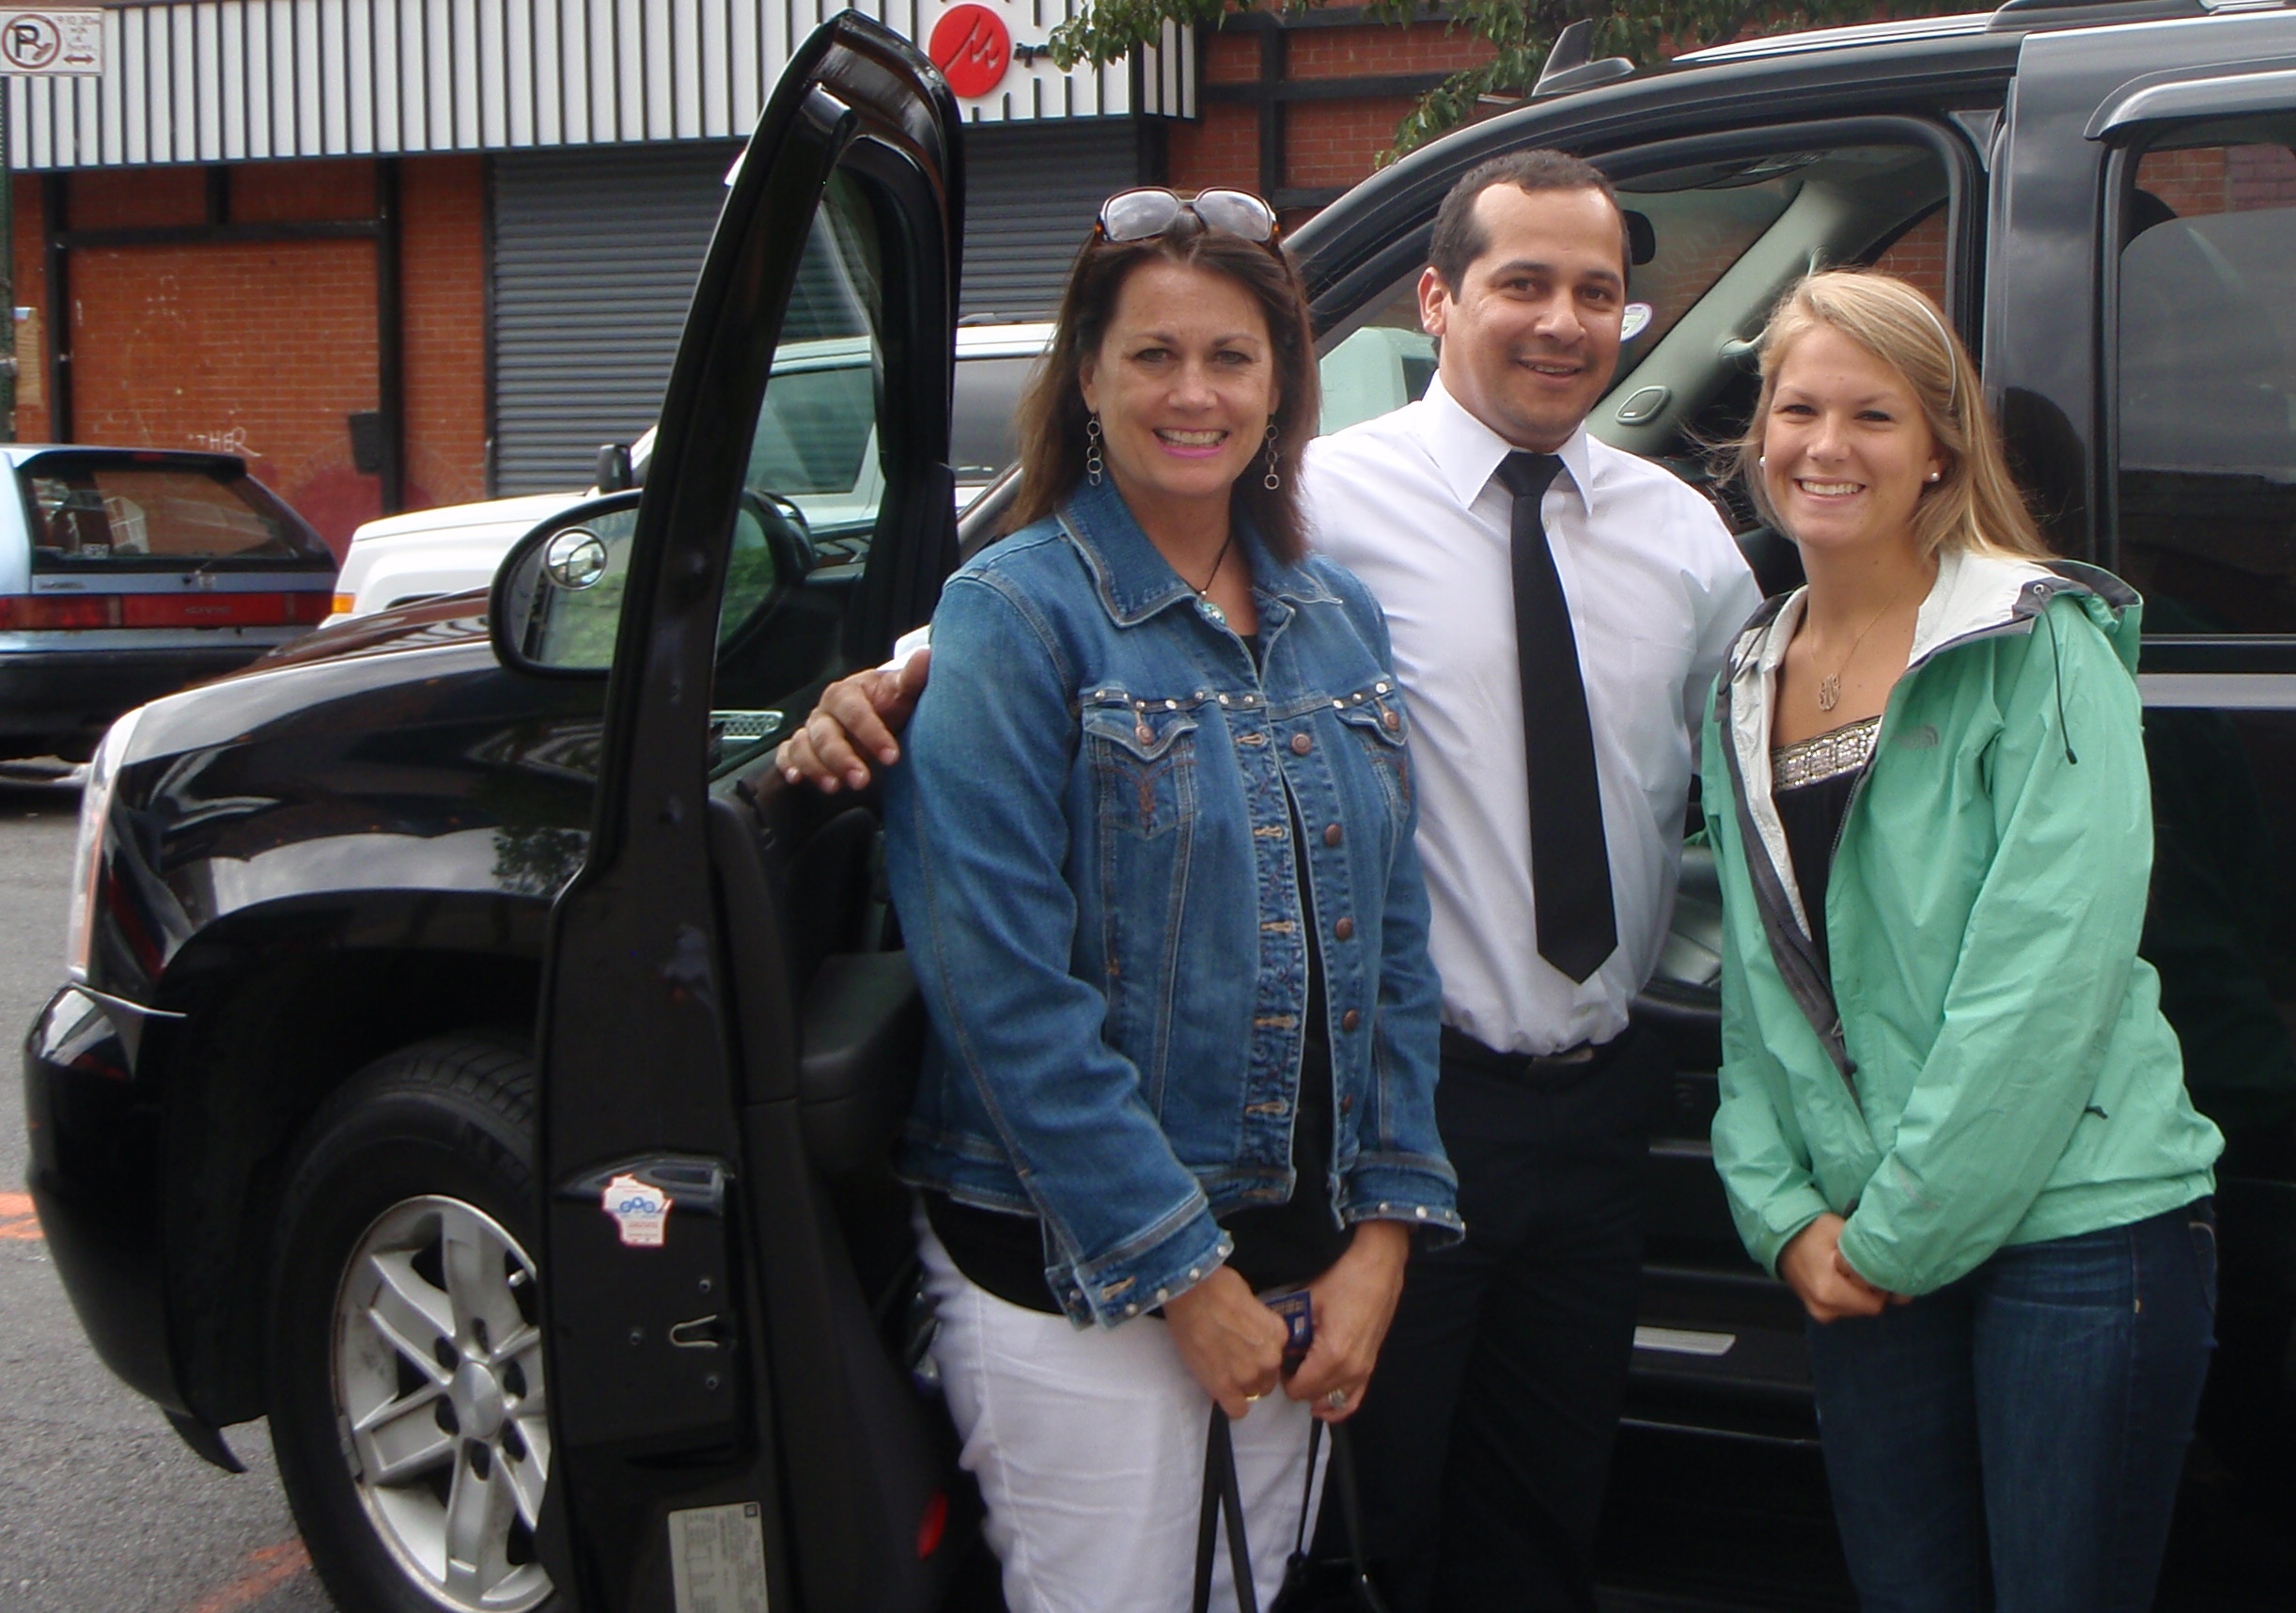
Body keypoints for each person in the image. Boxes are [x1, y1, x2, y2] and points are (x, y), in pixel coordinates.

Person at [784, 149, 1759, 1613]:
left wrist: (1377, 1238)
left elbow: (1403, 923)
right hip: (1240, 1180)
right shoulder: (1320, 507)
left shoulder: (1369, 591)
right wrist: (877, 682)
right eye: (1523, 282)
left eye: (1596, 291)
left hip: (1456, 1153)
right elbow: (1004, 947)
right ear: (1436, 300)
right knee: (1354, 1545)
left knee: (1507, 1535)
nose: (1562, 320)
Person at [878, 186, 1460, 1613]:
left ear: (1281, 386)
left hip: (1304, 1260)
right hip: (1080, 1271)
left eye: (1230, 358)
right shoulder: (1014, 613)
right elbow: (1001, 993)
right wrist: (1180, 1278)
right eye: (1153, 355)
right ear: (1087, 376)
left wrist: (1382, 1240)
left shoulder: (1335, 615)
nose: (1194, 394)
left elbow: (1394, 946)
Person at [1704, 270, 2222, 1613]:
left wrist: (1894, 1238)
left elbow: (2046, 975)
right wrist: (1781, 1215)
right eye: (1799, 410)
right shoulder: (1746, 673)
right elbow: (1759, 987)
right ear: (1760, 433)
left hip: (2072, 1232)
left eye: (1873, 416)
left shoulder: (2039, 641)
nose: (1828, 446)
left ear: (1940, 446)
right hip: (1862, 1240)